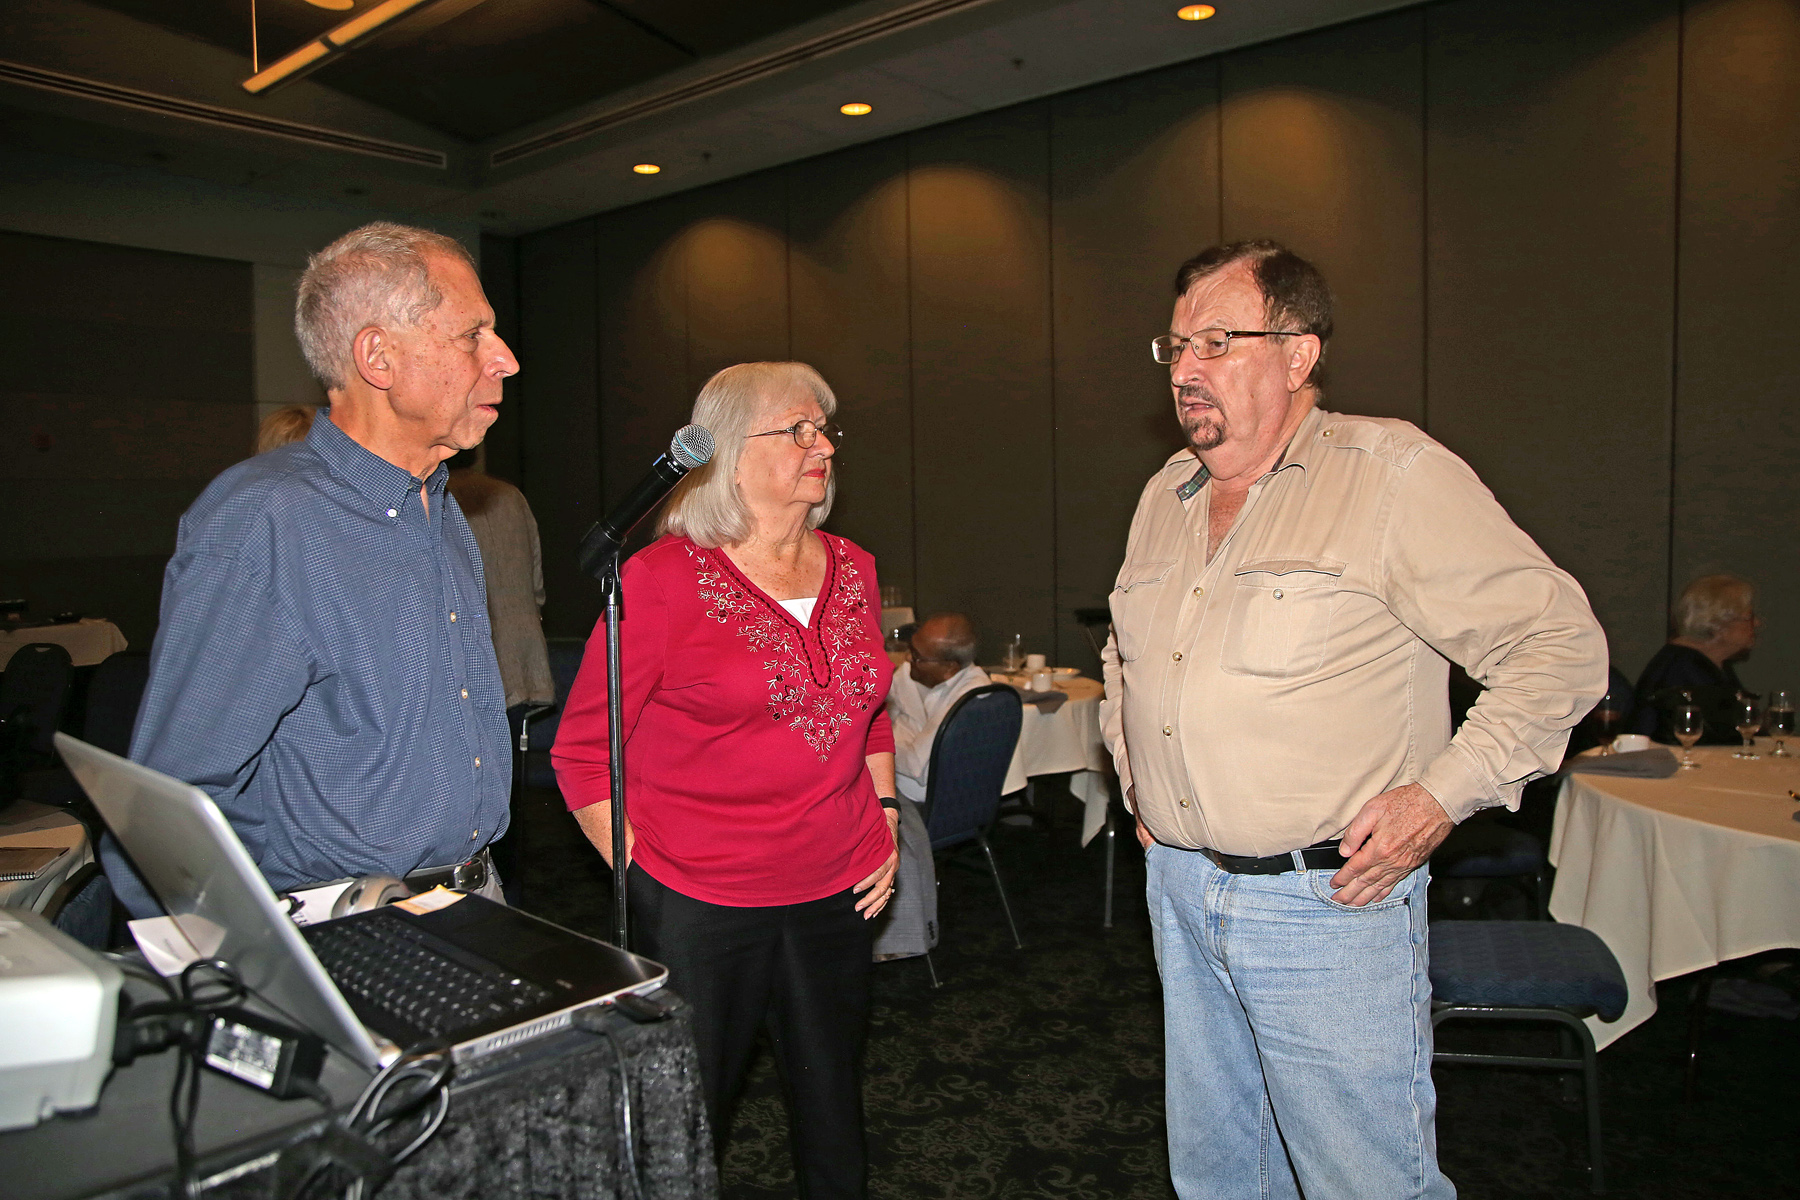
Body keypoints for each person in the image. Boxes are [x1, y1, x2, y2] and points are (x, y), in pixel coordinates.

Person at [1101, 239, 1607, 1199]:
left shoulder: (1392, 474)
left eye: (1217, 341)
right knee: (1218, 1172)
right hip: (1177, 889)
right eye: (1175, 349)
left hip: (1325, 905)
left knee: (1363, 1180)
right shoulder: (1163, 495)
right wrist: (1140, 782)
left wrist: (1441, 797)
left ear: (1300, 354)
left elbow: (1560, 649)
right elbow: (1125, 655)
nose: (1188, 371)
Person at [552, 361, 898, 1199]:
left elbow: (871, 710)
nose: (821, 446)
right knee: (689, 1114)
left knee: (833, 1107)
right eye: (797, 429)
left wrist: (887, 817)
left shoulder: (855, 568)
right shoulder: (661, 580)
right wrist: (651, 878)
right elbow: (583, 752)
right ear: (730, 456)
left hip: (838, 890)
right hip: (705, 907)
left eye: (825, 429)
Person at [113, 222, 520, 911]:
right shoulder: (266, 522)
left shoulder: (441, 509)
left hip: (475, 896)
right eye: (471, 335)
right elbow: (175, 805)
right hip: (347, 926)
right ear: (378, 357)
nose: (504, 358)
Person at [1631, 574, 1759, 744]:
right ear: (1717, 625)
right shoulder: (1681, 671)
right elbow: (1716, 739)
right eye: (1749, 616)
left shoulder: (1706, 662)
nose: (1756, 623)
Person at [886, 611, 991, 805]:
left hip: (921, 802)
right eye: (911, 649)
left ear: (949, 668)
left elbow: (916, 766)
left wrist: (874, 744)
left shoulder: (970, 698)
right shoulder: (914, 673)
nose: (908, 659)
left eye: (918, 657)